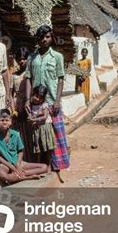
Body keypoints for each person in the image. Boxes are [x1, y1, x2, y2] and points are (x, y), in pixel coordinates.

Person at [24, 25, 70, 178]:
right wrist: (27, 99)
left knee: (54, 134)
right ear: (38, 38)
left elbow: (61, 79)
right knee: (38, 133)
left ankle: (56, 164)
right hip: (36, 103)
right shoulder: (32, 58)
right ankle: (41, 164)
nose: (45, 40)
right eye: (42, 37)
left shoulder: (57, 57)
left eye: (48, 37)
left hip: (51, 101)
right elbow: (28, 79)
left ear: (52, 38)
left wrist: (57, 100)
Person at [0, 109, 48, 184]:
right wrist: (12, 167)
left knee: (44, 167)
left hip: (16, 161)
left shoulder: (15, 134)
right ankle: (25, 177)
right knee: (2, 175)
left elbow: (20, 151)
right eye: (2, 120)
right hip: (4, 164)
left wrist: (18, 164)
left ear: (10, 121)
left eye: (7, 120)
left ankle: (19, 174)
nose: (4, 122)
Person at [26, 85, 55, 166]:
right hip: (36, 129)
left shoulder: (44, 105)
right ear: (33, 94)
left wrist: (34, 119)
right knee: (38, 148)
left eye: (40, 97)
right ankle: (38, 166)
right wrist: (30, 117)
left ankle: (49, 166)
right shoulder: (31, 105)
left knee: (48, 148)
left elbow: (45, 117)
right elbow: (30, 115)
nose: (37, 99)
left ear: (43, 98)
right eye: (36, 96)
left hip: (45, 128)